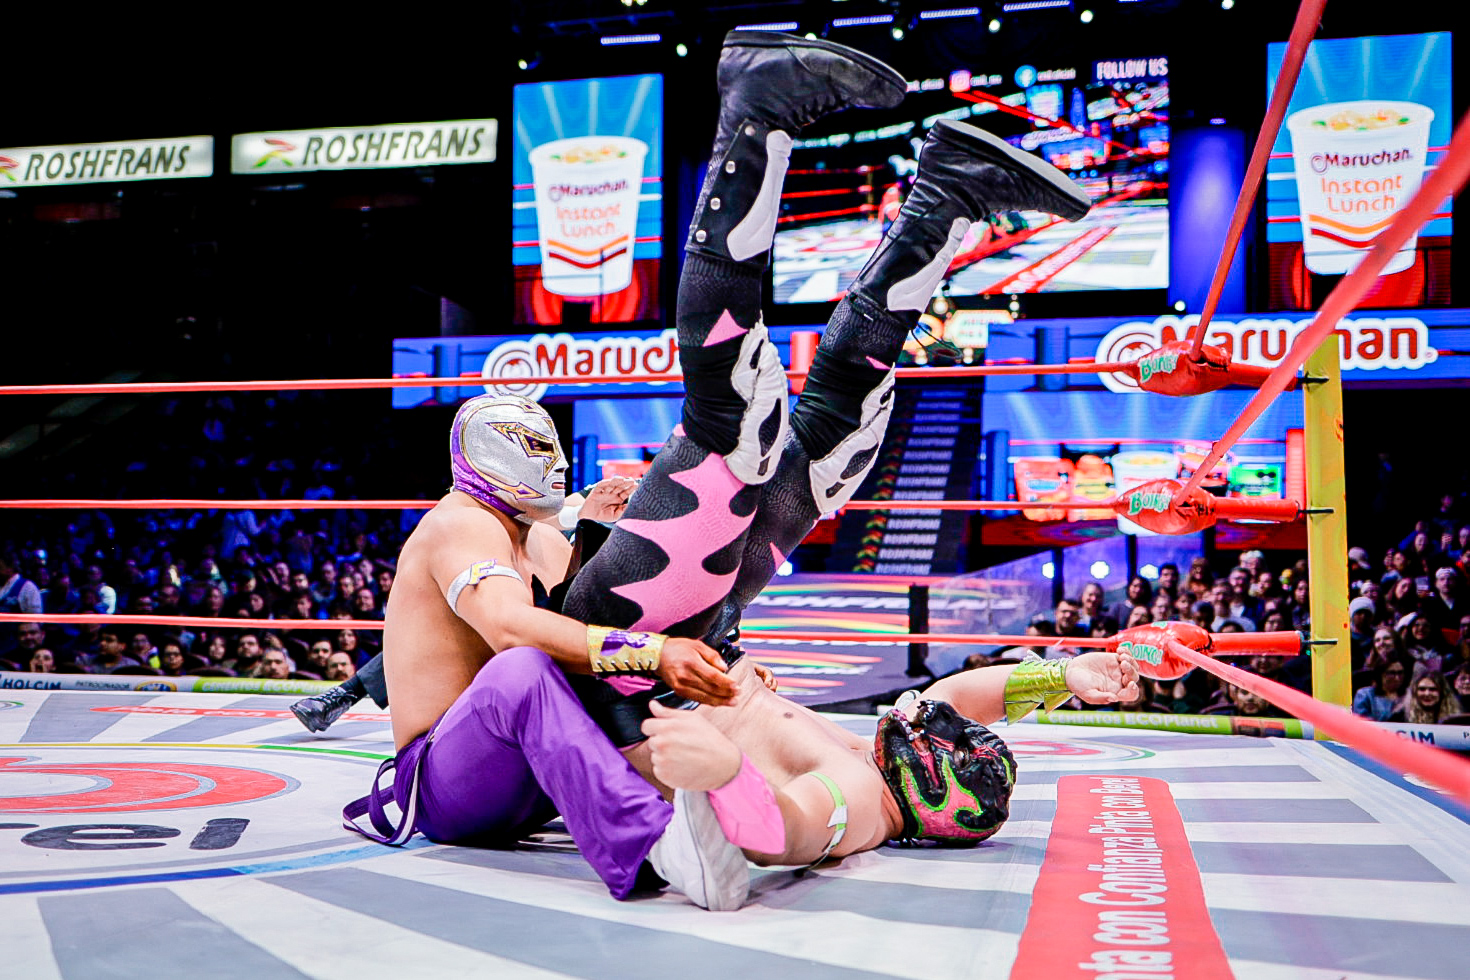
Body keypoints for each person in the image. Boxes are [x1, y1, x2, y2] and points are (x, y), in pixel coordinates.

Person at [341, 30, 1108, 912]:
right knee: (760, 444)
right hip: (548, 725)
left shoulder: (871, 779)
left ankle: (940, 196)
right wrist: (1068, 674)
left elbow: (800, 812)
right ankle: (775, 122)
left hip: (598, 709)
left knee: (810, 450)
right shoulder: (464, 525)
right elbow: (518, 635)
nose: (937, 722)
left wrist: (633, 587)